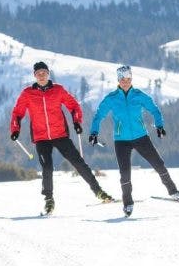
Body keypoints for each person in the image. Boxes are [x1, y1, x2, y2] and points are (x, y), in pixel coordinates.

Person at [11, 61, 114, 215]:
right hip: (41, 138)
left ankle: (98, 191)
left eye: (44, 73)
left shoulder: (58, 90)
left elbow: (74, 106)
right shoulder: (27, 93)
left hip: (60, 135)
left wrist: (77, 121)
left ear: (48, 74)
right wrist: (15, 129)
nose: (41, 76)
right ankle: (49, 200)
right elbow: (17, 113)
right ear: (34, 76)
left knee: (78, 162)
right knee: (47, 167)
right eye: (38, 73)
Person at [88, 65, 179, 216]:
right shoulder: (111, 98)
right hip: (121, 140)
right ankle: (128, 204)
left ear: (131, 79)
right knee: (125, 173)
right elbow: (99, 115)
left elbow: (154, 110)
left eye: (128, 79)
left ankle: (173, 191)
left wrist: (159, 126)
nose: (125, 82)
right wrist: (94, 132)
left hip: (141, 137)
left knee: (158, 163)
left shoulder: (139, 95)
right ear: (118, 80)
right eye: (122, 79)